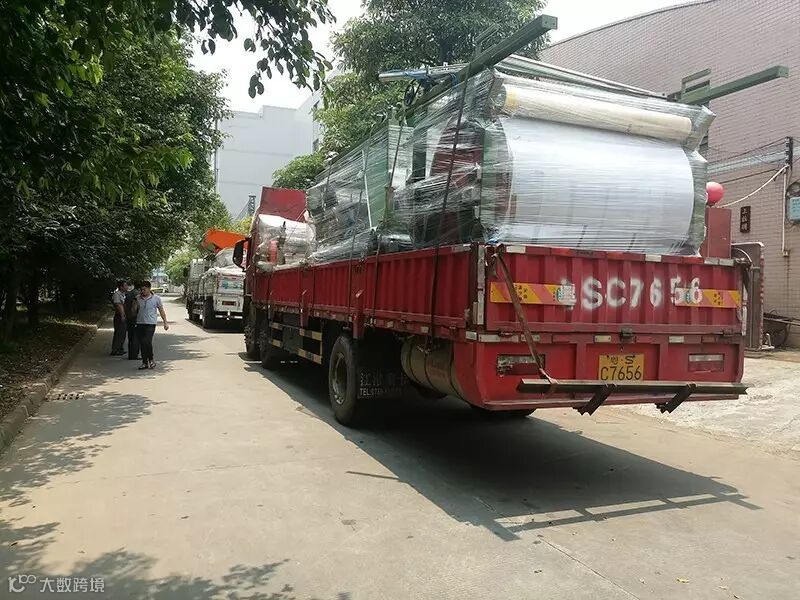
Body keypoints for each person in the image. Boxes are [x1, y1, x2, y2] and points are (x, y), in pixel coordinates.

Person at [134, 281, 169, 370]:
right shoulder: (137, 298)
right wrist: (134, 305)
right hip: (140, 323)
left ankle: (151, 359)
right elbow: (134, 311)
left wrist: (165, 322)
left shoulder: (156, 298)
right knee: (142, 343)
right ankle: (144, 362)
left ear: (149, 289)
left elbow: (161, 310)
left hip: (150, 323)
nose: (142, 291)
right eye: (141, 290)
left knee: (146, 341)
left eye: (144, 289)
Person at [110, 280, 128, 356]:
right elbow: (118, 305)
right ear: (121, 287)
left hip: (123, 315)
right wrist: (122, 315)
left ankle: (120, 348)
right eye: (125, 285)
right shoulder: (117, 294)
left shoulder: (123, 294)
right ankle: (115, 350)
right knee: (119, 333)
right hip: (119, 315)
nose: (127, 287)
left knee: (123, 333)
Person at [124, 281, 140, 360]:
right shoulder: (137, 295)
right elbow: (135, 307)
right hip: (135, 317)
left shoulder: (129, 293)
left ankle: (131, 354)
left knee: (131, 336)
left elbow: (125, 305)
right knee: (136, 337)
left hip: (129, 317)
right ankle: (134, 355)